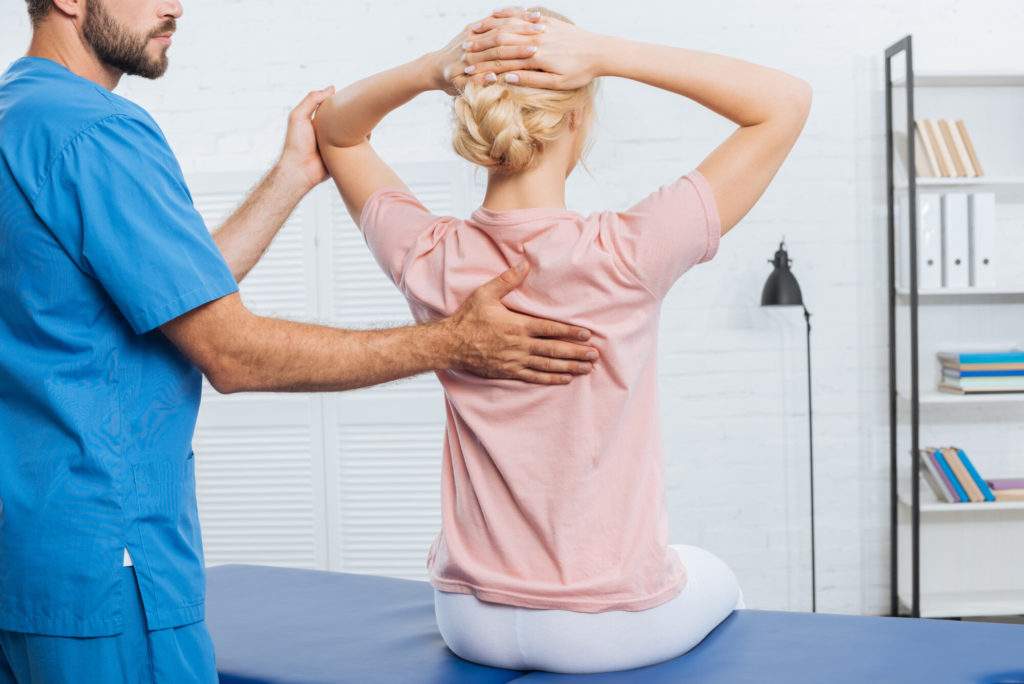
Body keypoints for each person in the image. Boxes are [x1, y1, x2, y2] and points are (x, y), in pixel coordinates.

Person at [0, 2, 600, 682]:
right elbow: (231, 352)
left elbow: (170, 299)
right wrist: (453, 343)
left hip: (28, 555)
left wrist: (291, 175)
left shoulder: (18, 118)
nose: (175, 6)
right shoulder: (98, 133)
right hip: (109, 563)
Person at [314, 5, 811, 674]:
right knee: (717, 576)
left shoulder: (431, 255)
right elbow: (785, 102)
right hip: (602, 627)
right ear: (576, 119)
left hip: (468, 617)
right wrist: (603, 52)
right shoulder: (628, 251)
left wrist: (432, 70)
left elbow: (337, 134)